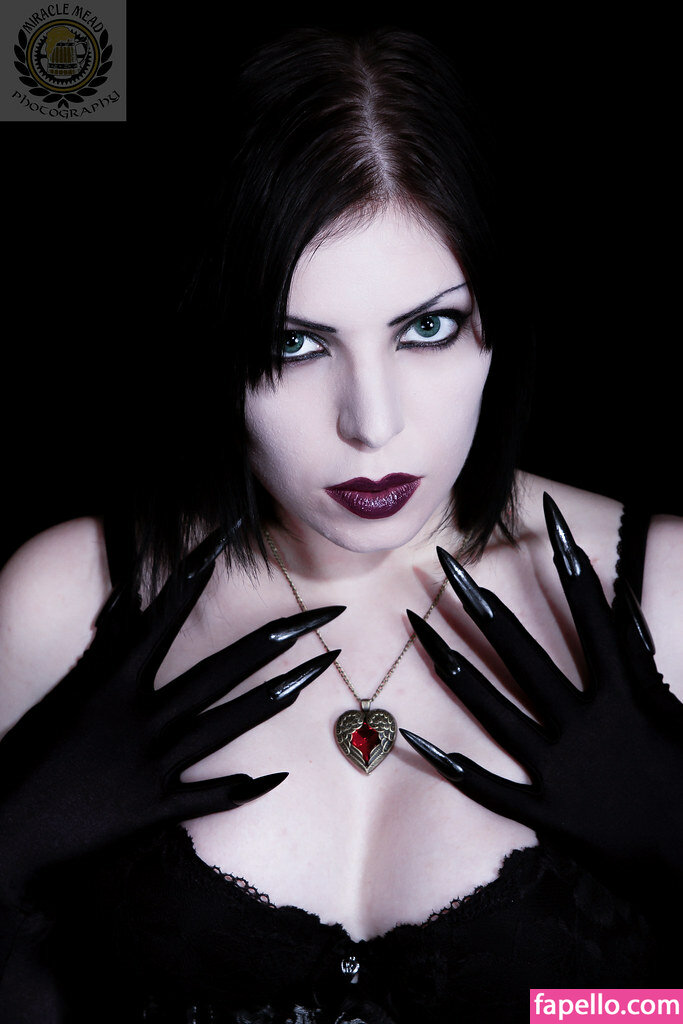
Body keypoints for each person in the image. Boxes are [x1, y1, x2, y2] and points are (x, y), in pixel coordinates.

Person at [1, 25, 682, 1024]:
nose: (371, 424)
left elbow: (650, 1013)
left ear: (496, 322)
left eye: (427, 328)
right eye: (294, 343)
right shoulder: (67, 601)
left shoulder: (664, 596)